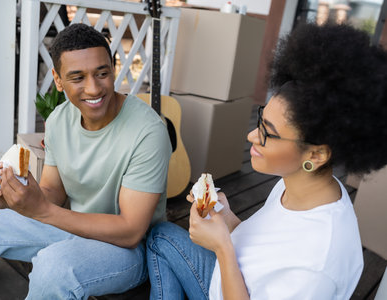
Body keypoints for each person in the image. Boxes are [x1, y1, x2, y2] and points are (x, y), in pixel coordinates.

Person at [146, 22, 387, 300]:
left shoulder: (318, 263)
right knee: (161, 234)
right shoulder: (299, 184)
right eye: (260, 119)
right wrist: (226, 217)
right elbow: (260, 253)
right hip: (225, 281)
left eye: (267, 133)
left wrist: (222, 247)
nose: (251, 135)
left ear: (316, 155)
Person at [0, 23, 171, 299]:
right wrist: (13, 198)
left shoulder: (148, 131)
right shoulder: (60, 119)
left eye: (102, 73)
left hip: (128, 252)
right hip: (72, 225)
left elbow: (131, 231)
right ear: (58, 80)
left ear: (113, 69)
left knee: (54, 268)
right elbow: (51, 192)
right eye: (77, 77)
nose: (94, 88)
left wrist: (42, 211)